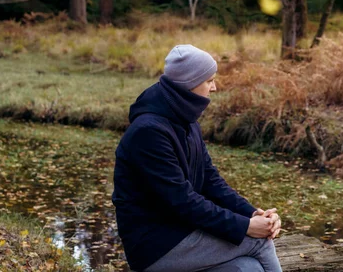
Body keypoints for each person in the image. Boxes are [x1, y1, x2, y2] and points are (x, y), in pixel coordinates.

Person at [112, 45, 282, 272]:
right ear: (189, 84)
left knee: (247, 268)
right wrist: (246, 227)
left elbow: (211, 182)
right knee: (259, 241)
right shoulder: (148, 132)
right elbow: (182, 201)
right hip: (155, 246)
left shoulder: (186, 121)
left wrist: (253, 214)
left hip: (184, 232)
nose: (214, 87)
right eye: (209, 80)